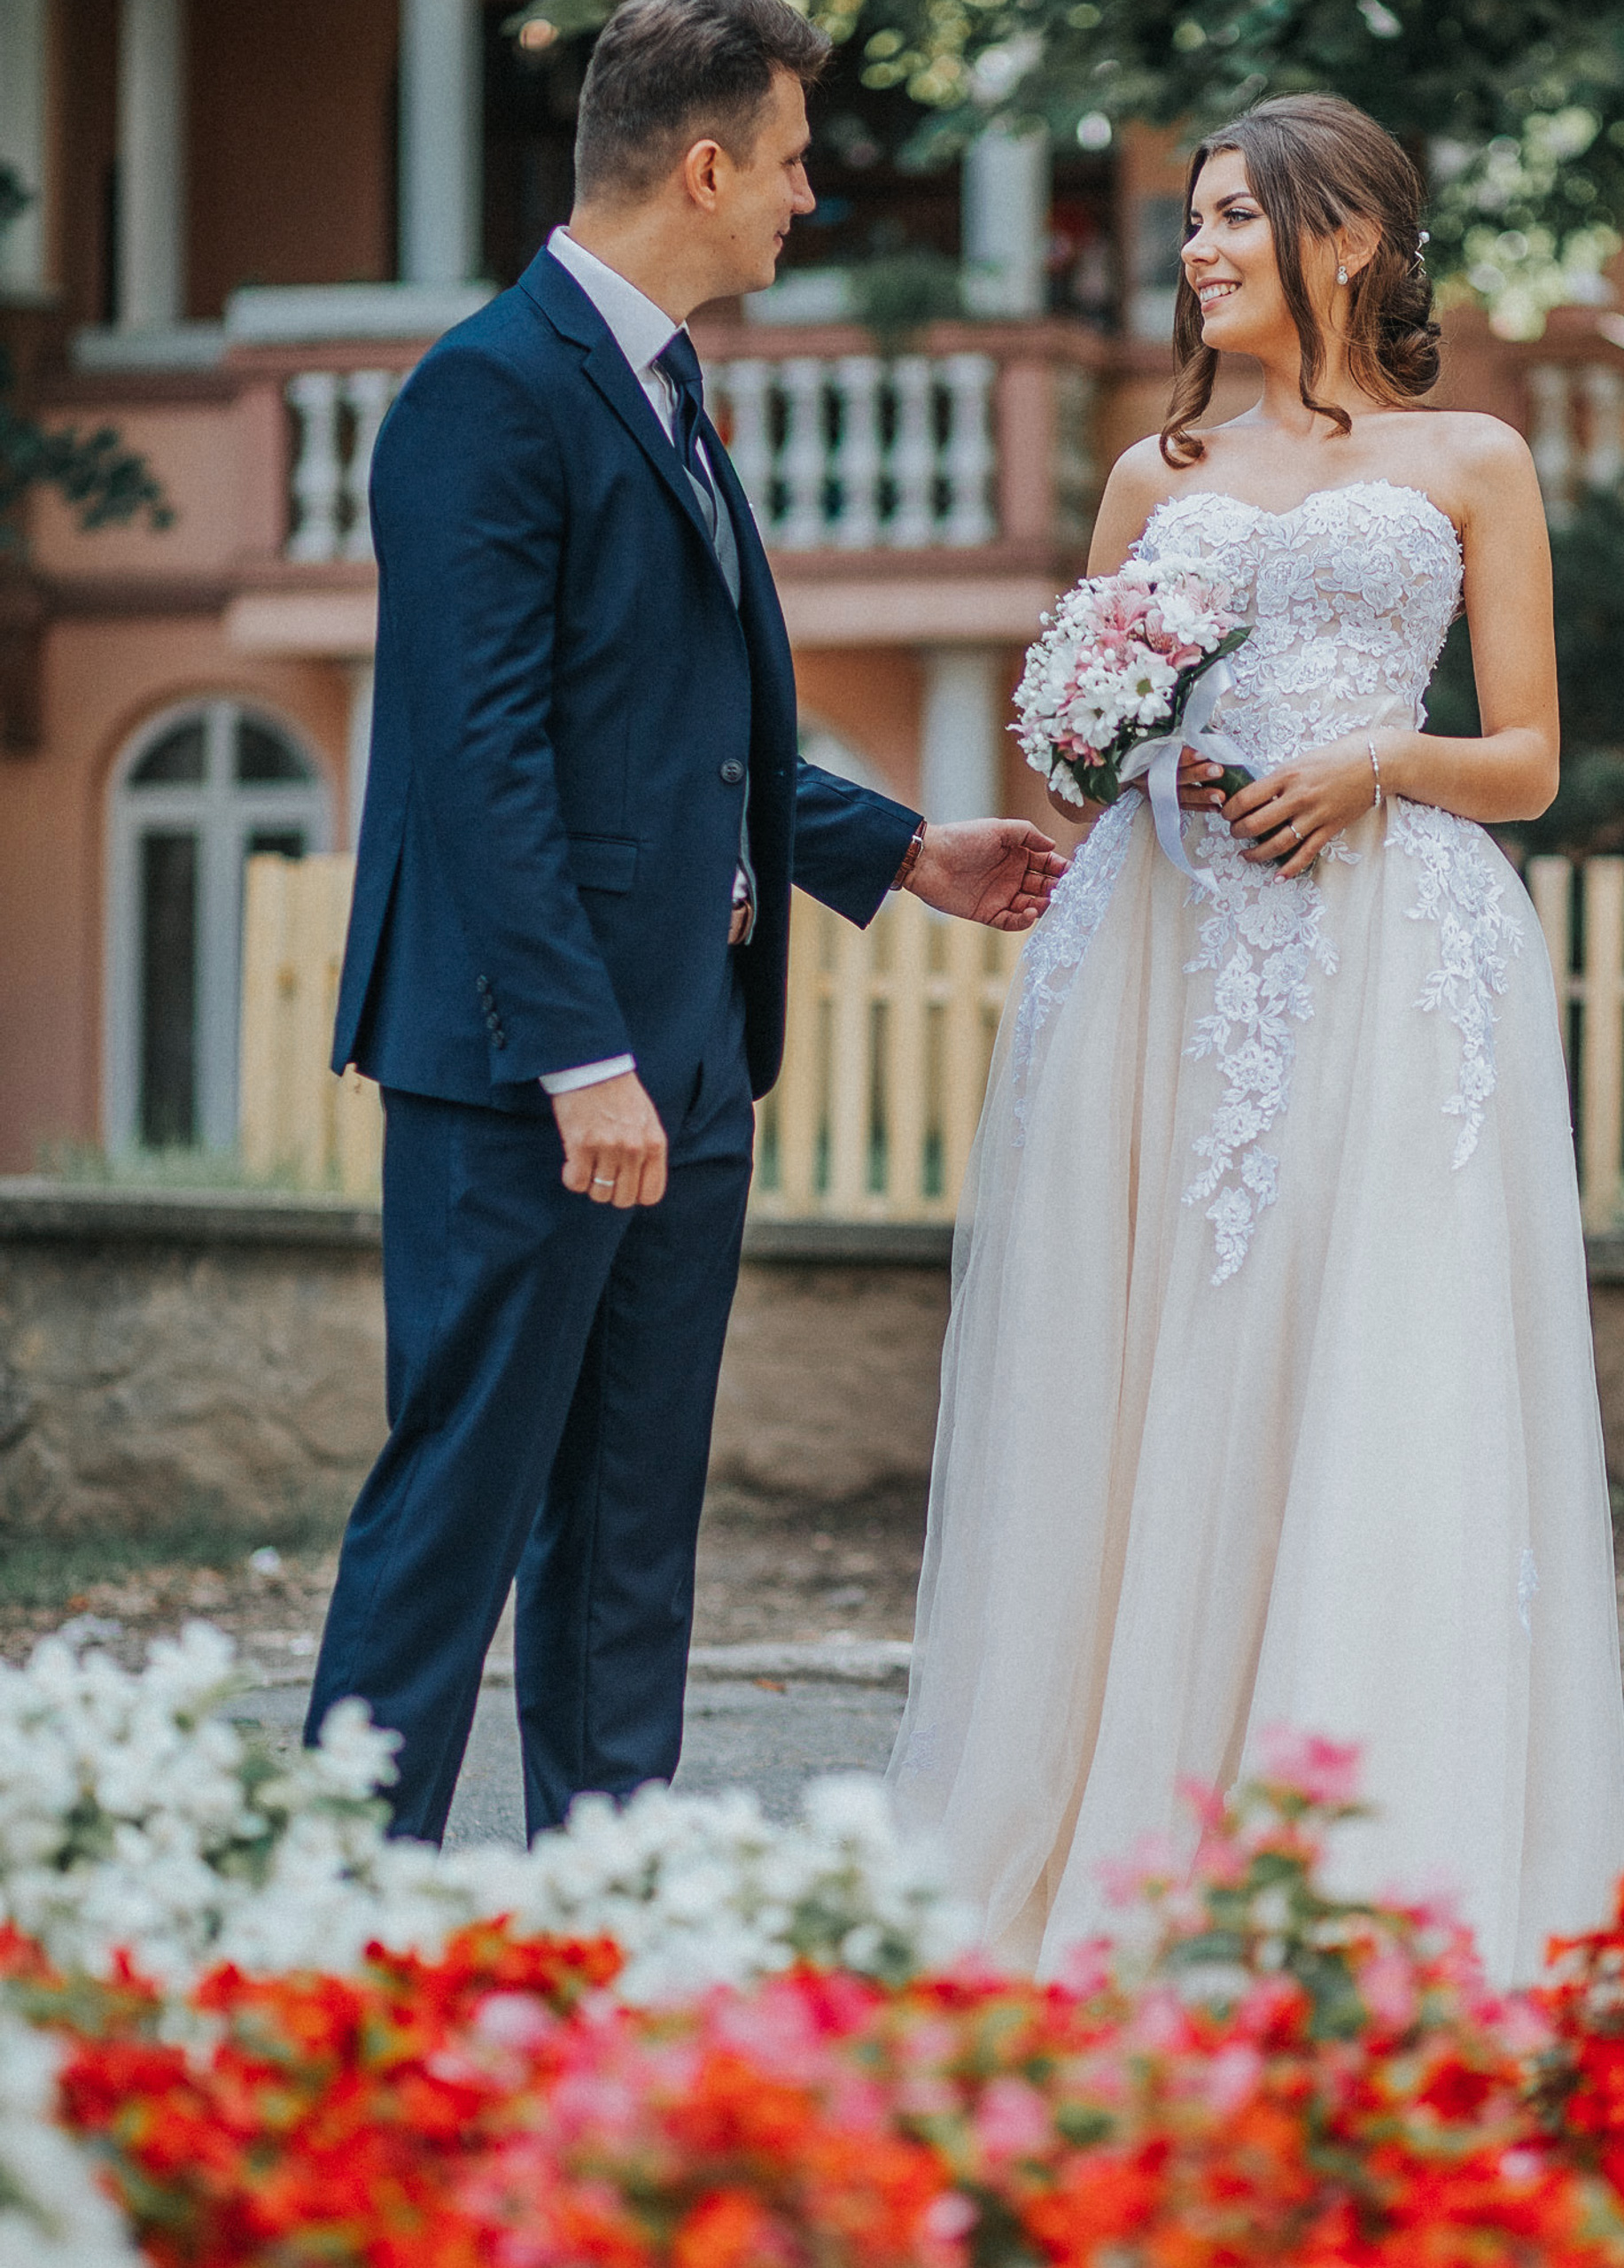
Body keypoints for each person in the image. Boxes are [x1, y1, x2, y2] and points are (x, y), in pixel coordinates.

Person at [887, 92, 1624, 1980]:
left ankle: (1377, 1851)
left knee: (1365, 1359)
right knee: (1158, 1365)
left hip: (1388, 960)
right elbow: (1078, 738)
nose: (1200, 251)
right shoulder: (1157, 470)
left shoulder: (1471, 458)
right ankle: (1137, 1836)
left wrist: (1377, 760)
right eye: (1194, 225)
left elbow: (1530, 761)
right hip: (1172, 954)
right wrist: (1086, 741)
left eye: (1236, 218)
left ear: (1350, 239)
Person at [309, 0, 1063, 1845]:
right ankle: (326, 1918)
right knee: (458, 1507)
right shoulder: (485, 392)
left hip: (691, 1054)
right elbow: (478, 767)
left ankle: (610, 1895)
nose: (812, 197)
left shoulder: (666, 390)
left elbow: (662, 746)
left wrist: (896, 852)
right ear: (707, 165)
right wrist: (582, 1055)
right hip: (526, 1071)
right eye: (796, 162)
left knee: (631, 1525)